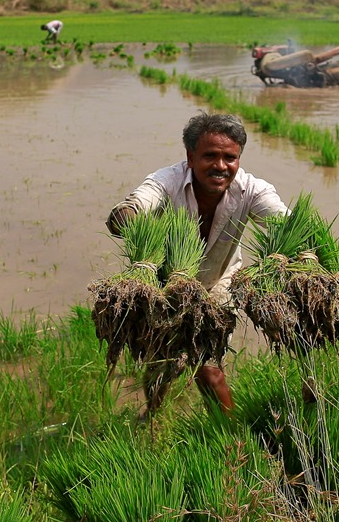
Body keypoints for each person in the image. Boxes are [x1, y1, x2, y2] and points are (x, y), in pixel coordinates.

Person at [105, 113, 288, 417]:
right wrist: (129, 218)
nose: (220, 166)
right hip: (168, 283)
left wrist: (302, 255)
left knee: (208, 366)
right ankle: (153, 415)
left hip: (219, 283)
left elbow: (285, 222)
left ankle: (228, 436)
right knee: (160, 359)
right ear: (190, 157)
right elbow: (137, 203)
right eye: (210, 156)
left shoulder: (252, 190)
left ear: (239, 159)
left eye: (230, 157)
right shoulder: (168, 181)